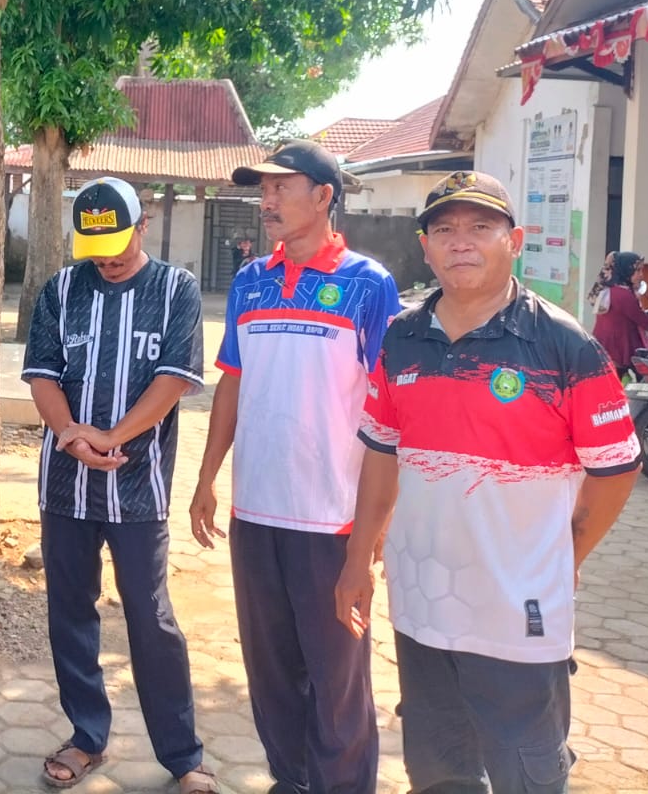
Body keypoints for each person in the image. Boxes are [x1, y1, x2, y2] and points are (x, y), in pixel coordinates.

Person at [335, 171, 640, 794]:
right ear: (425, 248)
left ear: (514, 241)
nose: (461, 241)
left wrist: (565, 554)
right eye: (444, 229)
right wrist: (356, 560)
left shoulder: (563, 345)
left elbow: (615, 467)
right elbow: (382, 455)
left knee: (525, 768)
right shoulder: (402, 338)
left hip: (519, 610)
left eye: (480, 226)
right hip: (422, 599)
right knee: (438, 766)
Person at [189, 140, 401, 794]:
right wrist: (206, 478)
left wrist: (375, 528)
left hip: (331, 520)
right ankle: (292, 779)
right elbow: (232, 381)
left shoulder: (368, 284)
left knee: (338, 681)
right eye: (263, 189)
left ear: (324, 196)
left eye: (282, 186)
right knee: (272, 674)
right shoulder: (251, 280)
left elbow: (390, 410)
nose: (268, 200)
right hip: (256, 512)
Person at [21, 177, 218, 794]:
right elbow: (43, 375)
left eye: (116, 246)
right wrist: (72, 435)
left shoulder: (176, 289)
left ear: (143, 226)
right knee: (70, 611)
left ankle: (183, 756)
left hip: (139, 486)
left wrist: (111, 437)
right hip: (65, 486)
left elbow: (173, 380)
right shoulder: (61, 289)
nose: (106, 261)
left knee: (150, 617)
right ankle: (87, 736)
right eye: (95, 249)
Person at [590, 250, 648, 377]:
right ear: (626, 270)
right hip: (617, 349)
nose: (641, 275)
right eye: (637, 271)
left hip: (605, 346)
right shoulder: (623, 295)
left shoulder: (609, 290)